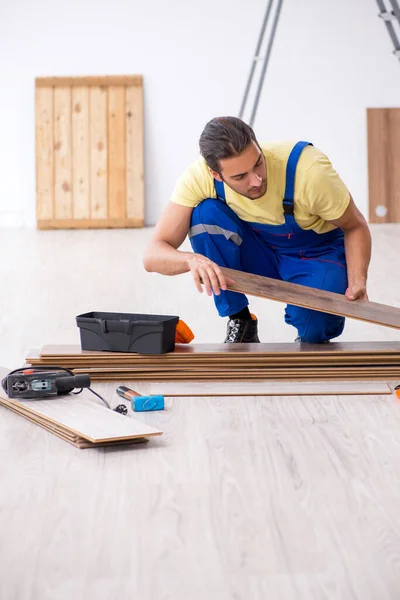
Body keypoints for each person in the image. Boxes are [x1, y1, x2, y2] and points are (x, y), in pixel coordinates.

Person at [143, 116, 371, 344]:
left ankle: (309, 326)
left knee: (315, 327)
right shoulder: (198, 178)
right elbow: (153, 254)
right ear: (215, 174)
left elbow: (355, 226)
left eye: (258, 163)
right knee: (205, 214)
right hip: (260, 248)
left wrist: (358, 280)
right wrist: (191, 260)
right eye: (240, 176)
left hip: (316, 252)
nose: (256, 181)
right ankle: (240, 320)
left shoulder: (309, 171)